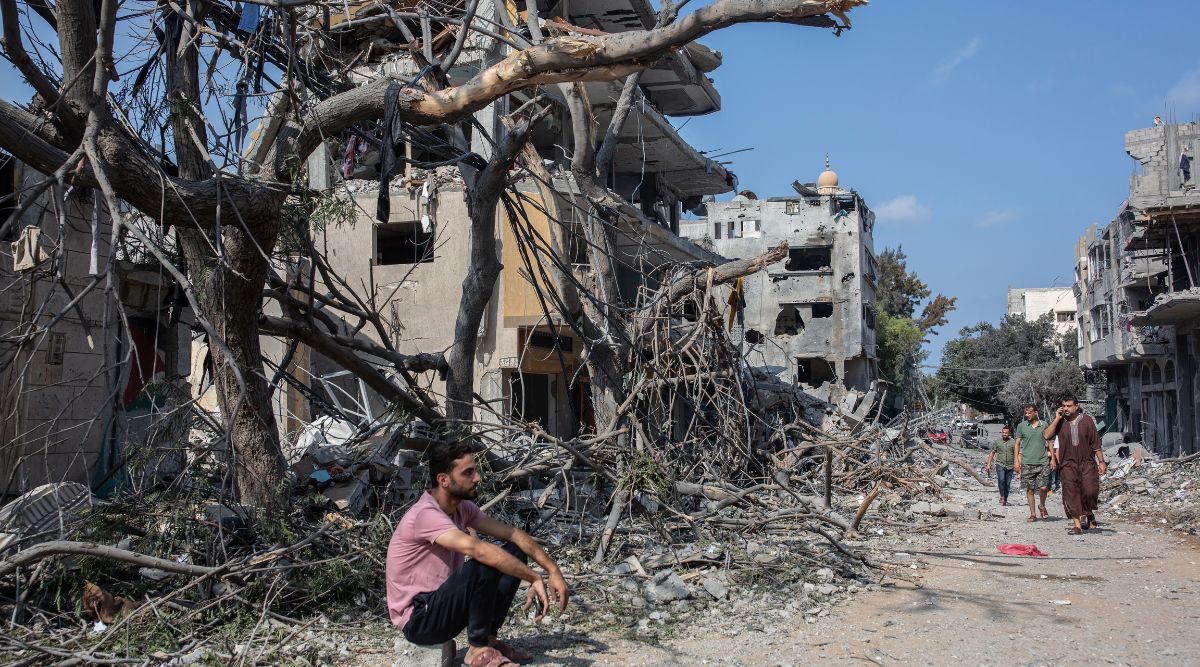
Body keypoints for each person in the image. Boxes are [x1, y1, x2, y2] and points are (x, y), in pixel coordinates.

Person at [386, 442, 569, 666]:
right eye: (468, 473)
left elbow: (513, 534)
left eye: (475, 471)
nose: (477, 478)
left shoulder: (461, 508)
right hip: (419, 619)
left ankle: (488, 640)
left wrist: (553, 570)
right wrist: (533, 577)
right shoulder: (426, 514)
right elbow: (478, 550)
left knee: (515, 551)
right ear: (444, 480)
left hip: (442, 605)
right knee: (483, 562)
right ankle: (477, 649)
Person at [1043, 397, 1108, 535]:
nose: (1065, 408)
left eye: (1068, 405)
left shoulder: (1087, 421)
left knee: (1090, 491)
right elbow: (1047, 435)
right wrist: (1056, 418)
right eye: (1063, 406)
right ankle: (1077, 525)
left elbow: (1095, 443)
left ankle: (1088, 512)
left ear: (1076, 406)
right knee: (1071, 493)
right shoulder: (1060, 422)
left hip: (1087, 463)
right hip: (1068, 464)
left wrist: (1101, 462)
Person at [1014, 404, 1052, 522]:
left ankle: (1042, 505)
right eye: (1026, 413)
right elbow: (1017, 444)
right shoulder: (1021, 426)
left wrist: (1053, 459)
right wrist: (1016, 461)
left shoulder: (1044, 424)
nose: (1027, 415)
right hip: (1027, 462)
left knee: (1044, 487)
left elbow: (1049, 441)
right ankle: (1033, 514)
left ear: (1035, 412)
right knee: (1030, 489)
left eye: (1029, 412)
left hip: (1043, 462)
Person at [986, 425, 1016, 506]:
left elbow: (1017, 454)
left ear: (1009, 433)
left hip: (1010, 465)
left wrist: (1018, 464)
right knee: (1001, 480)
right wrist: (988, 464)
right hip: (1000, 464)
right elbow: (992, 453)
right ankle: (1002, 496)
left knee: (1008, 484)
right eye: (1003, 432)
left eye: (1006, 433)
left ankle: (1005, 499)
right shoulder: (997, 442)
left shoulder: (1013, 442)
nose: (1004, 434)